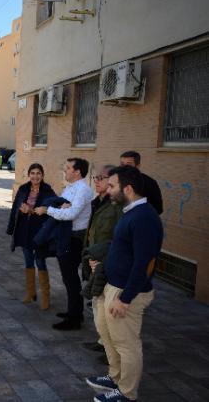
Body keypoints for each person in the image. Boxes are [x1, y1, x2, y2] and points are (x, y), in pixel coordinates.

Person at [86, 165, 163, 402]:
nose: (107, 191)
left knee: (126, 344)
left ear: (127, 189)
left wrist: (126, 298)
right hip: (111, 285)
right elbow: (122, 250)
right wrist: (101, 266)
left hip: (126, 292)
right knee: (107, 335)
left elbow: (144, 264)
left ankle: (127, 393)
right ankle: (115, 377)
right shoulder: (129, 211)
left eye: (112, 186)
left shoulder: (145, 218)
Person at [35, 157, 94, 330]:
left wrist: (48, 210)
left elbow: (70, 214)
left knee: (71, 278)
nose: (65, 170)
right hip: (66, 235)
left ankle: (75, 319)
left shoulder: (82, 189)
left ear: (77, 172)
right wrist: (60, 208)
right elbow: (63, 207)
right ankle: (73, 312)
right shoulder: (71, 188)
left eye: (68, 168)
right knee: (68, 278)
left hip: (74, 238)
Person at [81, 165, 123, 356]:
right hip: (94, 259)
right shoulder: (98, 201)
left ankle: (111, 351)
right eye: (95, 177)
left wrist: (100, 258)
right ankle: (103, 341)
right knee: (98, 304)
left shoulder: (116, 207)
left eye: (101, 178)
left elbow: (115, 238)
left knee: (104, 306)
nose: (96, 181)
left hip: (106, 261)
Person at [6, 163, 56, 309]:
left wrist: (31, 210)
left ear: (42, 175)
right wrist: (11, 228)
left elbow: (53, 210)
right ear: (29, 175)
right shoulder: (23, 189)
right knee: (28, 261)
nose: (35, 176)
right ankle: (30, 293)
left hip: (40, 232)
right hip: (24, 230)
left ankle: (45, 297)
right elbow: (15, 209)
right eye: (32, 173)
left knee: (40, 261)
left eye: (38, 173)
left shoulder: (48, 191)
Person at [119, 151, 163, 215]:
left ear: (138, 166)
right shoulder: (116, 181)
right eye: (122, 164)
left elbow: (158, 208)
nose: (124, 167)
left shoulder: (150, 183)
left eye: (128, 164)